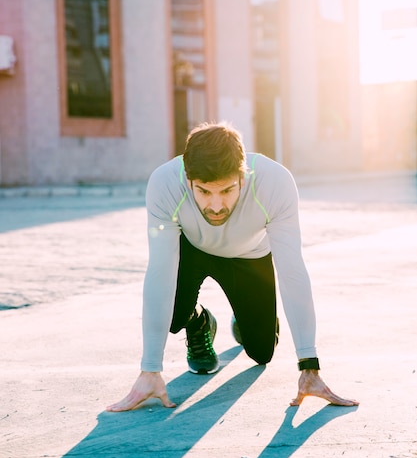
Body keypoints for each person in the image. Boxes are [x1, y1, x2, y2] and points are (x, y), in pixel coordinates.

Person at [107, 122, 358, 412]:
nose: (216, 206)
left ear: (243, 175)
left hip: (249, 255)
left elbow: (292, 272)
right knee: (171, 317)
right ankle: (199, 322)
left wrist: (309, 366)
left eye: (227, 190)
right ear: (187, 180)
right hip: (193, 249)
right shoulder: (165, 182)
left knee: (261, 353)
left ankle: (246, 317)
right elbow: (160, 272)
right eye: (203, 192)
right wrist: (150, 369)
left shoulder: (274, 182)